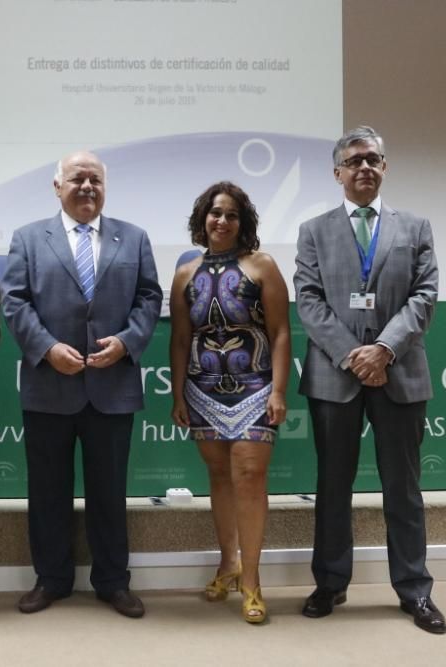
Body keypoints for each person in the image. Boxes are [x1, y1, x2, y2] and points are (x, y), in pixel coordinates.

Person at [294, 126, 445, 634]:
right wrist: (352, 355)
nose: (365, 167)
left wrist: (383, 349)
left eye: (374, 160)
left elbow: (424, 296)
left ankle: (415, 591)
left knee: (403, 489)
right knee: (332, 487)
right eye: (354, 160)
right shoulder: (313, 230)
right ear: (337, 172)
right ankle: (330, 583)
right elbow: (309, 302)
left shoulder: (416, 227)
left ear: (384, 168)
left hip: (399, 371)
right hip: (335, 376)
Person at [2, 150, 162, 618]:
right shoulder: (29, 238)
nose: (87, 186)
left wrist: (128, 342)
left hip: (111, 386)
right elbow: (15, 302)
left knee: (109, 492)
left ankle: (113, 582)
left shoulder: (133, 238)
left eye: (95, 179)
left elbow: (149, 299)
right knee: (47, 491)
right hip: (49, 384)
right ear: (57, 186)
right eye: (77, 178)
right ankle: (51, 580)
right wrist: (48, 348)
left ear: (105, 187)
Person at [169, 182, 290, 624]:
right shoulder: (185, 273)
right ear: (203, 218)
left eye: (232, 214)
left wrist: (277, 391)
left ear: (244, 222)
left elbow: (280, 332)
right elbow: (181, 338)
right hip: (202, 390)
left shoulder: (263, 266)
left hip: (255, 385)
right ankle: (228, 564)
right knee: (219, 474)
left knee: (250, 475)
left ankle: (253, 583)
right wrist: (177, 391)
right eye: (215, 213)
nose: (222, 221)